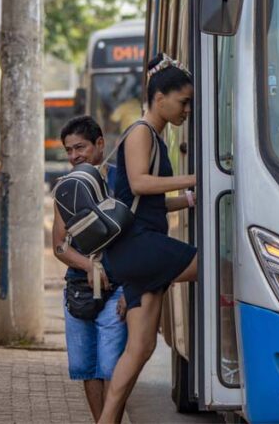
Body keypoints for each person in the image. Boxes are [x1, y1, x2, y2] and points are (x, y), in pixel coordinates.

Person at [98, 53, 197, 424]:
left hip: (139, 245)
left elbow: (146, 201)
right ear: (160, 98)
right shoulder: (140, 132)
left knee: (141, 347)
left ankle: (107, 421)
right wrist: (197, 178)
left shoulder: (155, 136)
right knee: (220, 267)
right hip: (139, 245)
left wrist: (188, 199)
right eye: (184, 101)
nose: (187, 110)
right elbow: (140, 182)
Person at [52, 115, 128, 421]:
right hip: (79, 288)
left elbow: (142, 233)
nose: (74, 157)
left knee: (113, 368)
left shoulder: (123, 181)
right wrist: (88, 266)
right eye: (69, 151)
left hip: (119, 286)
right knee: (87, 368)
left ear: (100, 144)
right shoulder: (67, 188)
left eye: (80, 148)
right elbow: (59, 245)